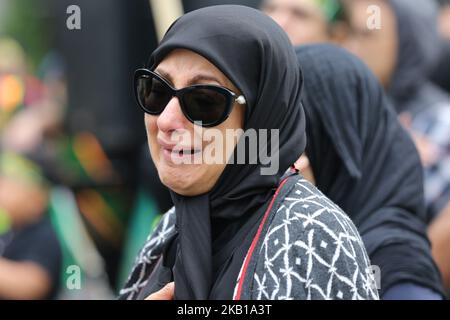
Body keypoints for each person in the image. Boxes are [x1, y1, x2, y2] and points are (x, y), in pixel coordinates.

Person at [119, 5, 378, 300]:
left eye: (204, 101)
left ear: (261, 116)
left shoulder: (313, 234)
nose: (165, 120)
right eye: (156, 90)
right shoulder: (168, 231)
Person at [295, 44, 444, 299]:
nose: (293, 163)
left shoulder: (395, 270)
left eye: (299, 142)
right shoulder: (309, 245)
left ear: (337, 147)